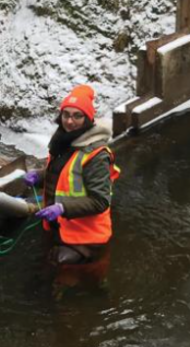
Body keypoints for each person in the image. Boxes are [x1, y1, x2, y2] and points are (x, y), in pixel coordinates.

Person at [24, 84, 120, 265]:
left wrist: (62, 208)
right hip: (60, 227)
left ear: (88, 119)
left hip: (85, 238)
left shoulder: (97, 155)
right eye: (66, 115)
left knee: (69, 278)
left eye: (77, 116)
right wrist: (38, 176)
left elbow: (100, 201)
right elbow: (62, 173)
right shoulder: (64, 141)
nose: (70, 121)